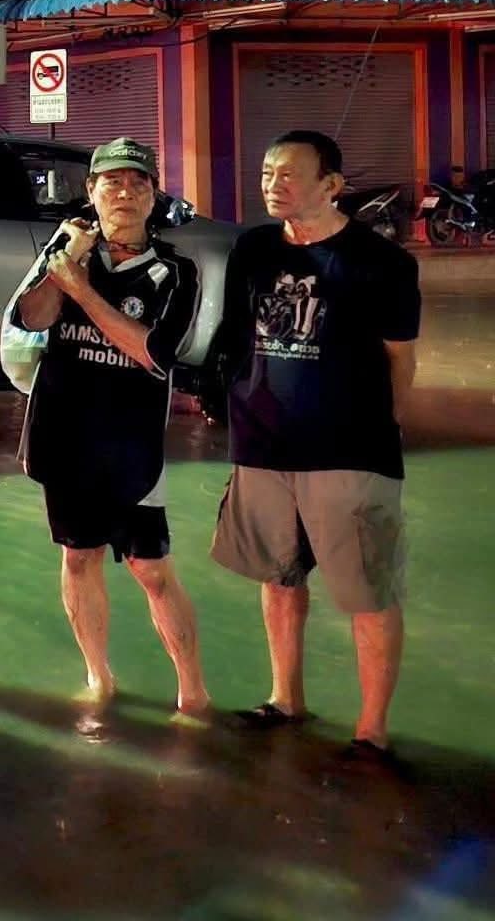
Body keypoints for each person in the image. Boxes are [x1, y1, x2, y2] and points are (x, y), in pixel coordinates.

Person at [210, 129, 419, 759]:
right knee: (278, 578)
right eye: (269, 172)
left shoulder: (381, 263)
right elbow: (237, 337)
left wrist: (387, 428)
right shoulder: (251, 249)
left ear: (332, 185)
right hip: (264, 448)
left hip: (348, 451)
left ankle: (371, 731)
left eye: (291, 174)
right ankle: (285, 699)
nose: (274, 183)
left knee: (368, 592)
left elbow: (400, 361)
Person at [14, 139, 210, 714]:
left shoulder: (176, 271)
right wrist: (68, 265)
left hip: (131, 446)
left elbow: (154, 353)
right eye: (111, 183)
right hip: (65, 437)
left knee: (151, 568)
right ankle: (99, 677)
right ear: (91, 192)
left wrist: (84, 292)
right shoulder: (65, 251)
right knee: (78, 557)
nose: (124, 193)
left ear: (153, 196)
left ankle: (193, 690)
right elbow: (32, 318)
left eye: (137, 184)